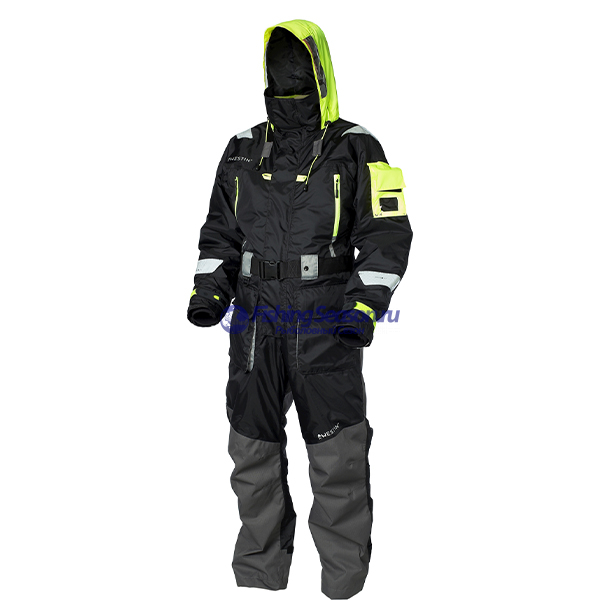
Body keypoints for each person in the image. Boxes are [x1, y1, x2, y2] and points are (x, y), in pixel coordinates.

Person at [187, 19, 412, 600]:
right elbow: (219, 232)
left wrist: (363, 308)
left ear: (320, 73)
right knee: (251, 452)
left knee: (338, 460)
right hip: (253, 324)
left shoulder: (357, 146)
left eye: (298, 70)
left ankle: (343, 582)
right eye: (278, 70)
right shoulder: (241, 149)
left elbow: (386, 235)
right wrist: (209, 292)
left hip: (325, 324)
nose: (287, 81)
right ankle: (261, 574)